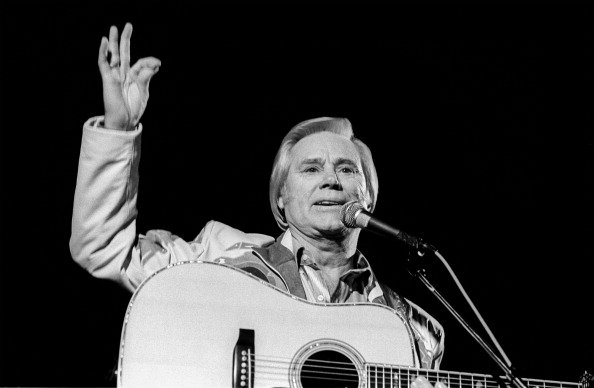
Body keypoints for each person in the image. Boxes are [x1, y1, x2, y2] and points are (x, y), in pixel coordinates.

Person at [70, 23, 446, 378]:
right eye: (311, 169)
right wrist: (118, 130)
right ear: (281, 198)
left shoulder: (415, 332)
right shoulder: (219, 262)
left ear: (368, 196)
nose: (331, 180)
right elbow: (103, 249)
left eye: (347, 169)